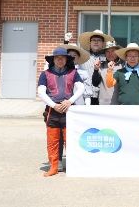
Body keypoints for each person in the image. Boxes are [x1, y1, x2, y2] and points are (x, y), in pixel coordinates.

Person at [37, 48, 84, 177]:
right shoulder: (45, 74)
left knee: (70, 140)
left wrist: (70, 101)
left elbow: (81, 88)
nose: (60, 60)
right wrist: (54, 105)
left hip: (69, 110)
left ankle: (73, 166)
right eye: (57, 58)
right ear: (53, 60)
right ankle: (53, 167)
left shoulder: (73, 73)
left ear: (66, 60)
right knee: (52, 141)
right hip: (52, 111)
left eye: (62, 58)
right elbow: (41, 92)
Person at [78, 29, 115, 105]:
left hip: (103, 97)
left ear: (103, 43)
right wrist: (66, 42)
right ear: (90, 42)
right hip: (85, 95)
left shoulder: (108, 56)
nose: (96, 42)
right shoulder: (82, 55)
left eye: (99, 40)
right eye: (94, 40)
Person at [91, 41, 122, 105]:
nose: (110, 54)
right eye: (107, 51)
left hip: (120, 103)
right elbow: (95, 83)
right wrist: (96, 70)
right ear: (105, 53)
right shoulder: (101, 65)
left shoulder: (123, 65)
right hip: (103, 103)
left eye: (113, 51)